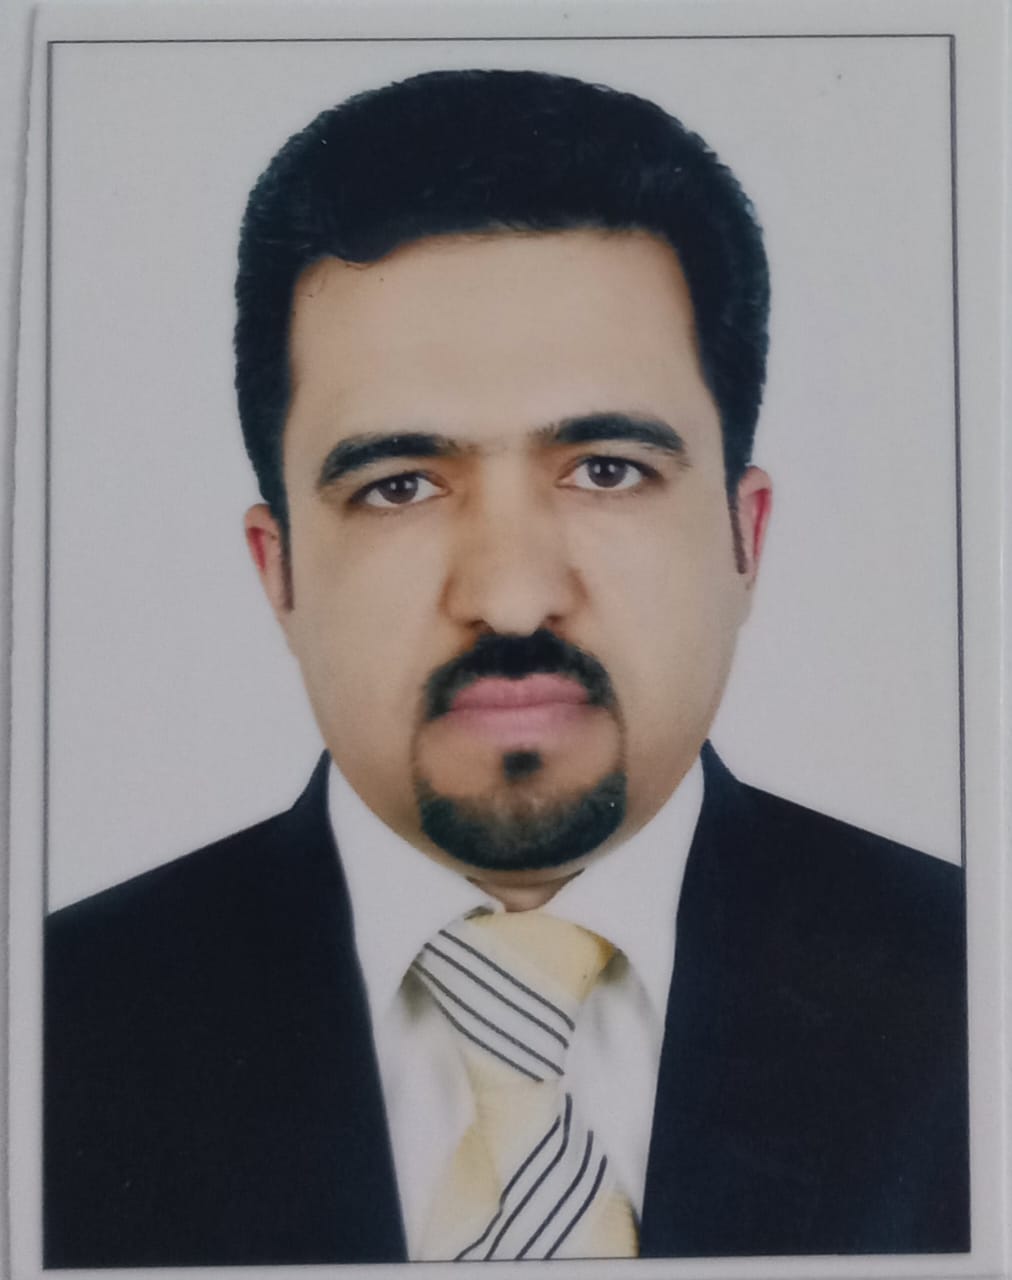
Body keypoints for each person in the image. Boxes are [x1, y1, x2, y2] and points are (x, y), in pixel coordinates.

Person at [44, 68, 968, 1266]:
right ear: (280, 571)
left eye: (607, 469)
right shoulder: (48, 1031)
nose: (513, 593)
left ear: (744, 538)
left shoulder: (972, 990)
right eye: (399, 485)